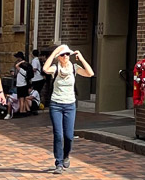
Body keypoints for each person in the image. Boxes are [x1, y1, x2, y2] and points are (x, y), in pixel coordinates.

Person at [43, 44, 92, 172]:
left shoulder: (74, 68)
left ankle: (66, 156)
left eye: (67, 54)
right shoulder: (56, 68)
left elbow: (90, 73)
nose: (65, 56)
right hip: (56, 104)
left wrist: (81, 58)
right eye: (62, 55)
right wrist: (54, 52)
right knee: (58, 134)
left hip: (70, 105)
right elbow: (45, 68)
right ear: (59, 57)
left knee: (69, 136)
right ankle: (58, 162)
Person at [11, 52, 32, 116]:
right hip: (23, 85)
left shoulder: (22, 70)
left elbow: (16, 66)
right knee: (22, 99)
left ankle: (21, 111)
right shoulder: (24, 72)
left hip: (21, 85)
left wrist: (21, 62)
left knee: (21, 99)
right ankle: (23, 110)